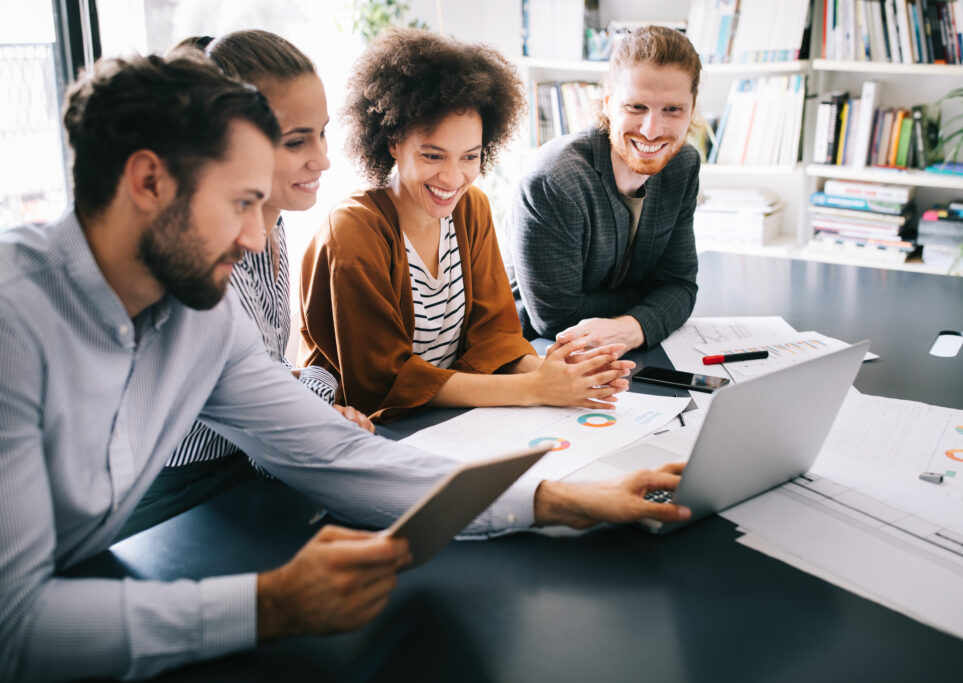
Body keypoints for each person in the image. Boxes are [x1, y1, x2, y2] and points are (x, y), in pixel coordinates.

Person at [0, 52, 690, 681]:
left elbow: (337, 454)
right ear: (148, 180)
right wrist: (267, 605)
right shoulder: (15, 327)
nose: (254, 239)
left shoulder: (202, 316)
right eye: (243, 204)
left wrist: (561, 500)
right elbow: (16, 629)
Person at [298, 29, 634, 421]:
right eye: (433, 156)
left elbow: (494, 336)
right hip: (372, 427)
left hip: (452, 415)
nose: (453, 178)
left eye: (470, 156)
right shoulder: (354, 231)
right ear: (393, 141)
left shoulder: (470, 208)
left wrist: (558, 373)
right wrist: (533, 387)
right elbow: (386, 381)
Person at [117, 30, 373, 541]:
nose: (323, 159)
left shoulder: (271, 220)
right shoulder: (198, 259)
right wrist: (316, 404)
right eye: (296, 141)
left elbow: (268, 377)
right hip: (170, 501)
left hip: (237, 470)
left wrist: (312, 396)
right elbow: (267, 429)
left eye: (322, 134)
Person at [510, 25, 701, 354]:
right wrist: (652, 298)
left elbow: (680, 286)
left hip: (625, 349)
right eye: (636, 107)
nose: (651, 130)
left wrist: (634, 327)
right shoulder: (554, 180)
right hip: (539, 352)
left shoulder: (682, 166)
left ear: (692, 109)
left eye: (672, 109)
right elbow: (554, 318)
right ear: (609, 104)